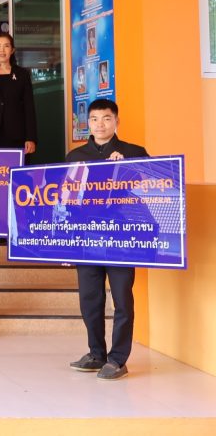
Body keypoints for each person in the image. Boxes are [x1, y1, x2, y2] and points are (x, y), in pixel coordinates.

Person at [66, 98, 147, 381]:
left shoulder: (135, 153)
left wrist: (126, 170)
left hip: (122, 239)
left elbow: (152, 191)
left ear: (117, 121)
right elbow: (67, 200)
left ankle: (118, 359)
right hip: (86, 239)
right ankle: (96, 353)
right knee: (90, 299)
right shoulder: (75, 157)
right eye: (94, 119)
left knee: (122, 299)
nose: (100, 124)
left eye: (106, 118)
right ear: (87, 123)